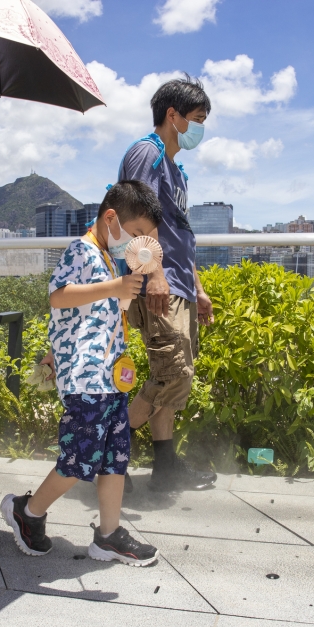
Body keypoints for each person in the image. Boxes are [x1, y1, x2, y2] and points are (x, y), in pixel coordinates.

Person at [1, 181, 162, 565]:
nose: (137, 243)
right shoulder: (82, 250)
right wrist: (116, 286)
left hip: (110, 376)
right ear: (111, 218)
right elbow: (59, 295)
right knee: (81, 456)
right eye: (136, 233)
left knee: (113, 457)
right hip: (86, 379)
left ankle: (107, 535)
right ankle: (29, 512)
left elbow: (76, 318)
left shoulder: (108, 257)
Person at [117, 76, 218, 492]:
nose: (200, 128)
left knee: (173, 377)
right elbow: (130, 214)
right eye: (196, 119)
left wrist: (197, 287)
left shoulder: (177, 172)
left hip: (178, 284)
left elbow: (180, 234)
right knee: (173, 373)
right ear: (171, 115)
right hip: (155, 283)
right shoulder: (147, 152)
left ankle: (165, 467)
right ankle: (105, 446)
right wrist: (155, 274)